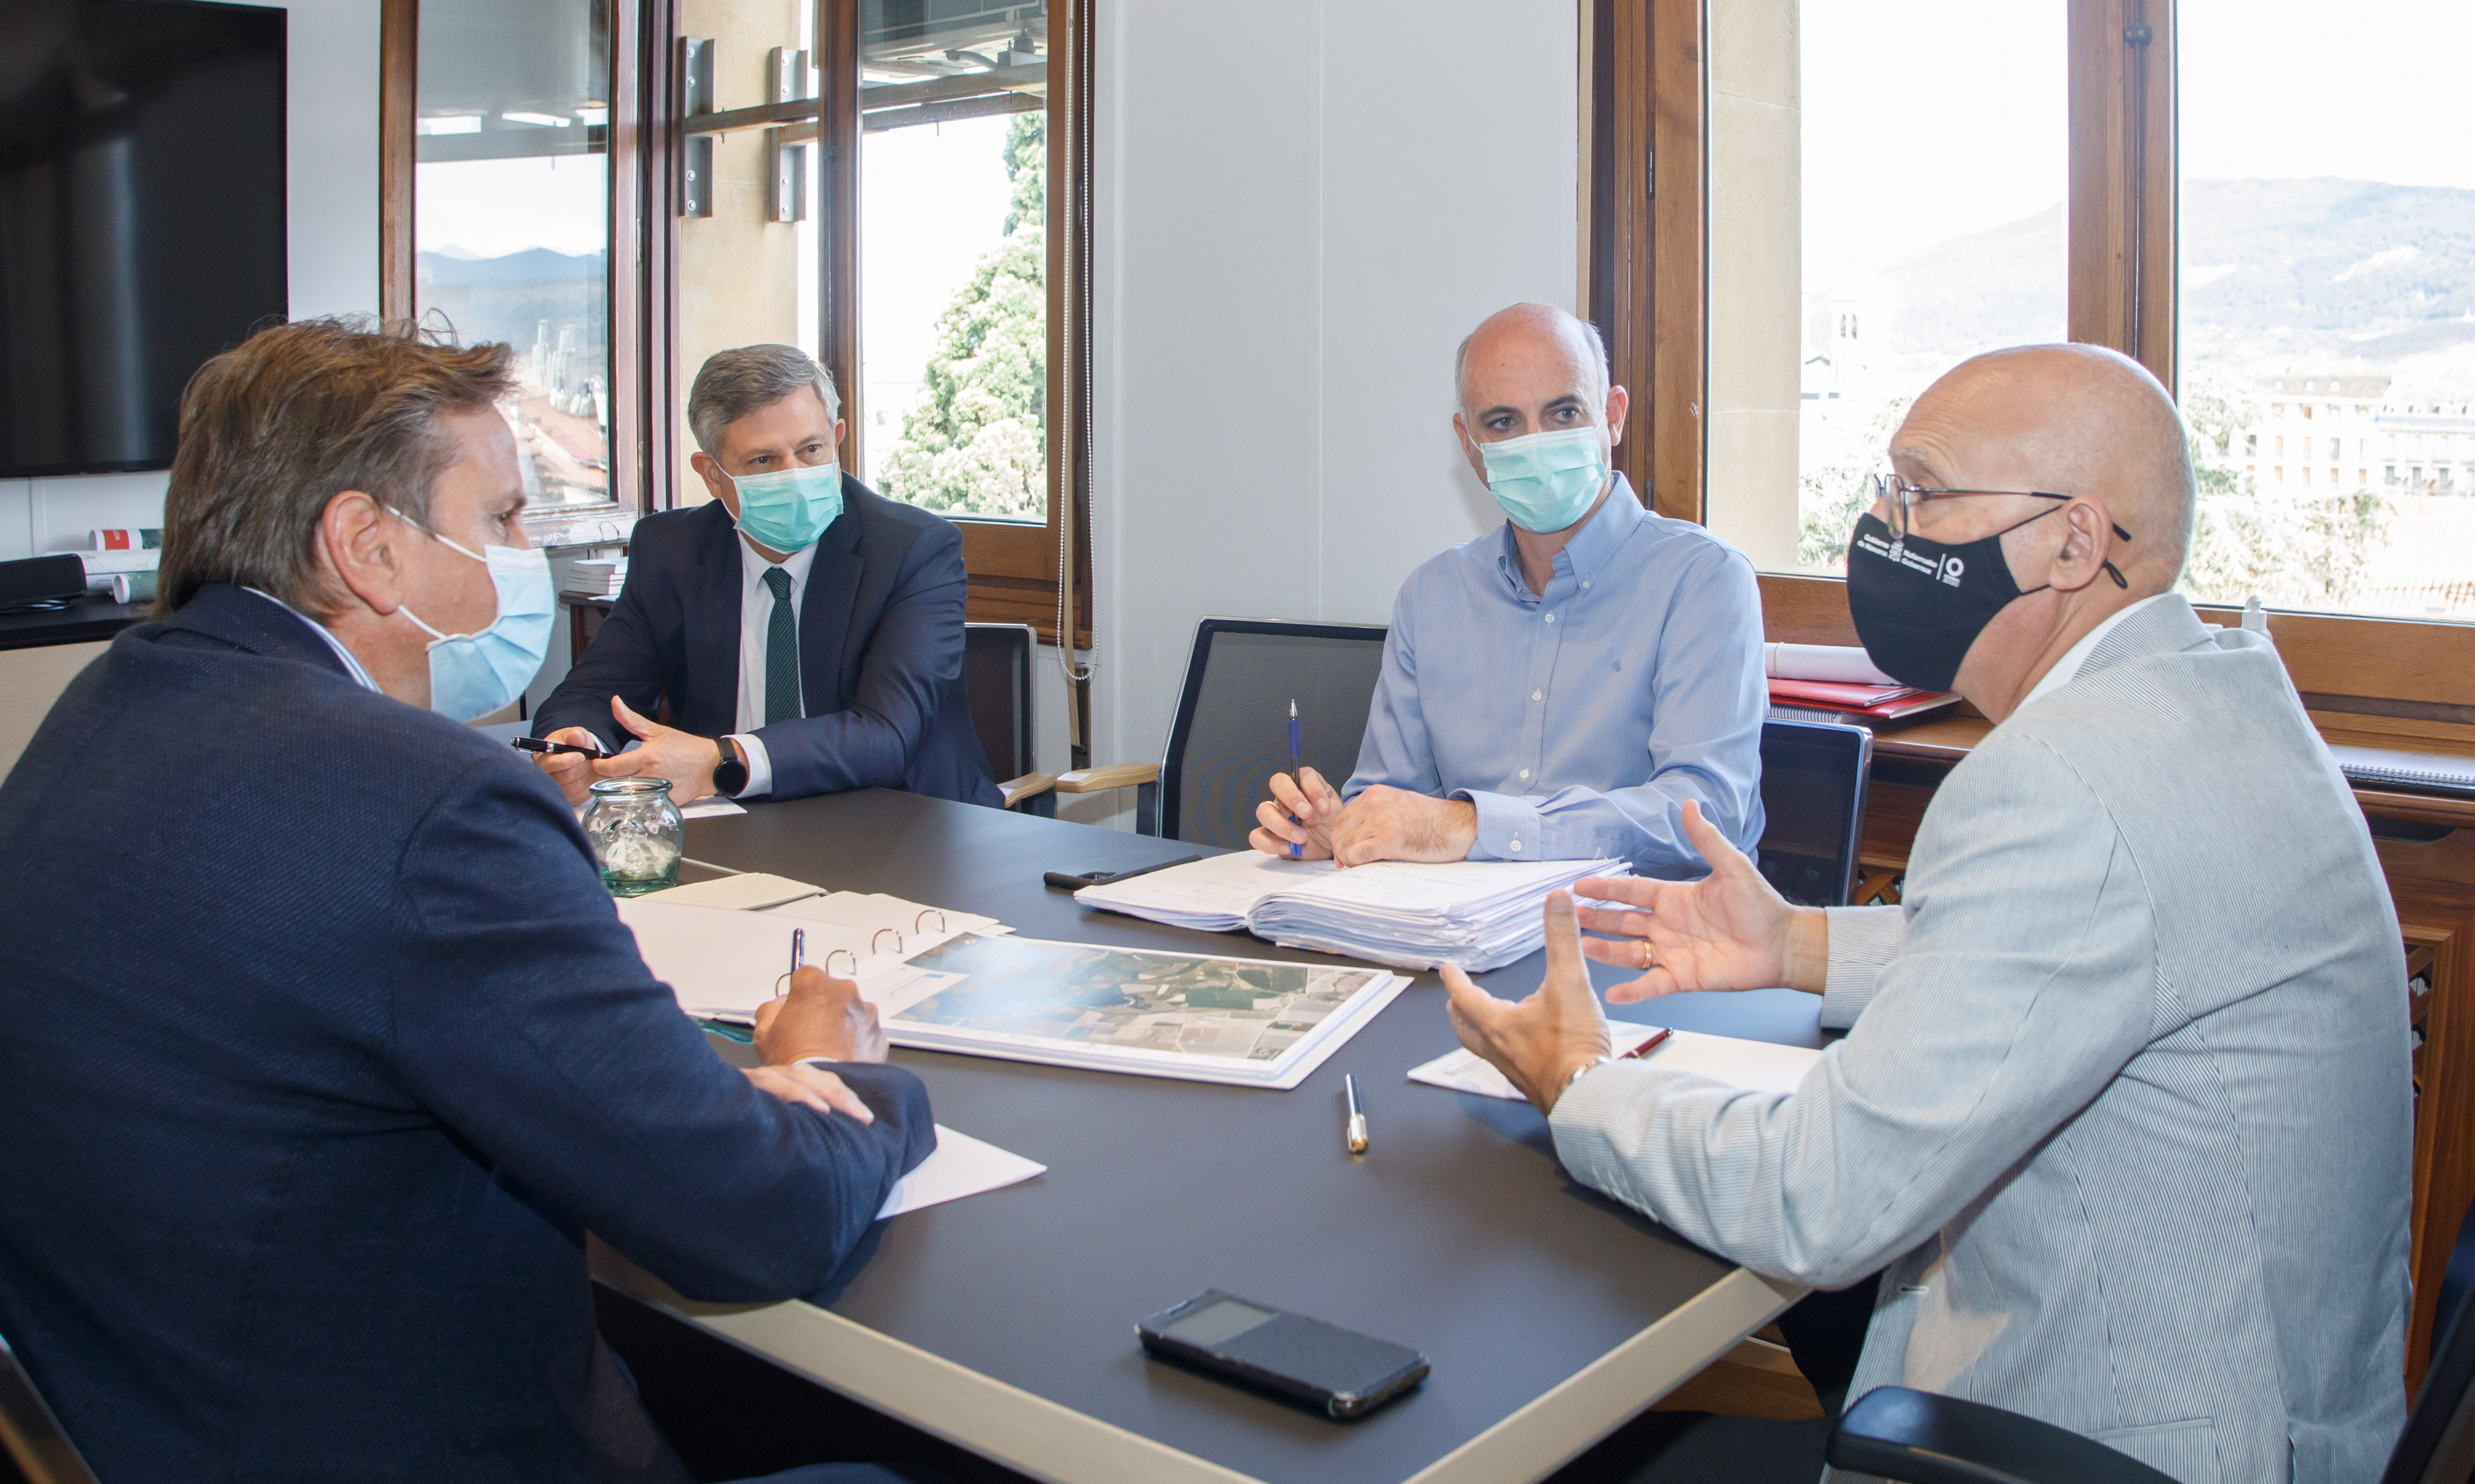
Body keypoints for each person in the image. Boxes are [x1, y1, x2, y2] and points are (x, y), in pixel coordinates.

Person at [1446, 344, 2411, 1482]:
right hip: (2293, 1401)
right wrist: (1798, 941)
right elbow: (2106, 933)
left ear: (2073, 539)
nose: (1886, 528)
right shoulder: (2214, 703)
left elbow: (1822, 1196)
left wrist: (1579, 1080)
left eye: (1922, 493)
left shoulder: (2064, 777)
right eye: (1885, 492)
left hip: (2134, 1438)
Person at [0, 318, 933, 1484]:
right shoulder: (431, 801)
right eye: (498, 517)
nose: (526, 547)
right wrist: (840, 1068)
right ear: (366, 547)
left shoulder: (98, 713)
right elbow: (757, 1215)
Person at [1248, 303, 1765, 875]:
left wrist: (1472, 824)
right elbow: (1392, 795)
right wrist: (1342, 829)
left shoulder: (1704, 580)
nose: (1536, 444)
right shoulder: (1432, 595)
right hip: (1455, 935)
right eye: (1503, 423)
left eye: (1565, 412)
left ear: (1612, 415)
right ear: (1468, 443)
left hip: (1631, 940)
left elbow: (1707, 818)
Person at [531, 344, 1000, 809]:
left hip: (905, 828)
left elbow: (885, 736)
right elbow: (593, 693)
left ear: (836, 437)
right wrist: (574, 744)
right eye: (763, 461)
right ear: (713, 476)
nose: (794, 476)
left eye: (810, 449)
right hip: (736, 828)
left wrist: (722, 760)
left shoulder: (912, 550)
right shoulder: (671, 552)